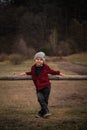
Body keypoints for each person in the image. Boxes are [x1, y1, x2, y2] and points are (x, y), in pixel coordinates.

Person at [19, 51, 65, 118]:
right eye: (37, 59)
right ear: (35, 60)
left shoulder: (46, 67)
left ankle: (40, 113)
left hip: (46, 87)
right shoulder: (33, 67)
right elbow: (32, 72)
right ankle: (46, 112)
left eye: (41, 59)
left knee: (45, 101)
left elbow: (52, 71)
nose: (39, 61)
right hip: (39, 88)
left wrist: (59, 73)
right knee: (40, 99)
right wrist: (25, 73)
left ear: (43, 61)